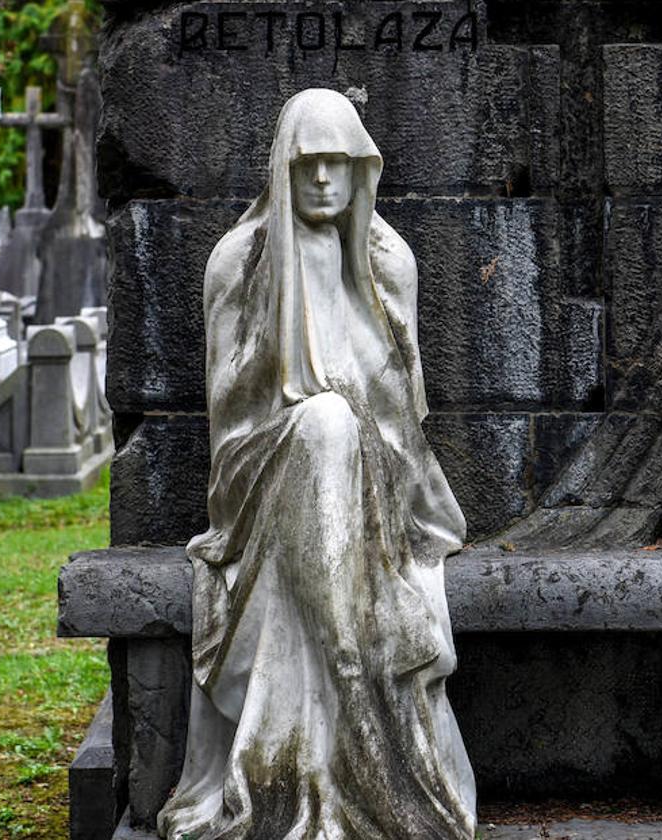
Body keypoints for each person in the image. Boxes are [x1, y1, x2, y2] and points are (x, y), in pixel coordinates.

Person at [158, 88, 476, 840]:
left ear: (361, 166)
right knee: (320, 424)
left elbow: (405, 408)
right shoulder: (240, 259)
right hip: (259, 466)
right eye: (309, 164)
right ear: (283, 168)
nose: (325, 179)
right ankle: (355, 690)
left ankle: (347, 700)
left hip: (376, 469)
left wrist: (344, 329)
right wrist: (284, 330)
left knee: (335, 424)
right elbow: (227, 408)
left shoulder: (387, 259)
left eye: (339, 162)